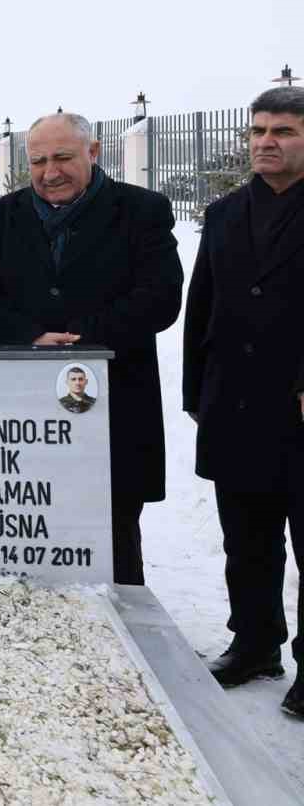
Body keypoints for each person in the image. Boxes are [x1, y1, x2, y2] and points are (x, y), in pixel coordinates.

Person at [0, 112, 182, 586]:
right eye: (38, 160)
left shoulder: (142, 210)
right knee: (33, 523)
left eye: (63, 157)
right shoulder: (2, 216)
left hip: (118, 401)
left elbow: (161, 297)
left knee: (115, 528)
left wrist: (83, 338)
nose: (50, 172)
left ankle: (126, 626)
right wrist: (29, 337)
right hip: (27, 407)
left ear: (94, 152)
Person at [184, 86, 304, 714]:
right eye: (258, 131)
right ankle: (254, 642)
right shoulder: (227, 212)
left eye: (282, 131)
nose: (265, 142)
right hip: (234, 403)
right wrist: (196, 390)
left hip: (300, 406)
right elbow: (202, 301)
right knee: (247, 538)